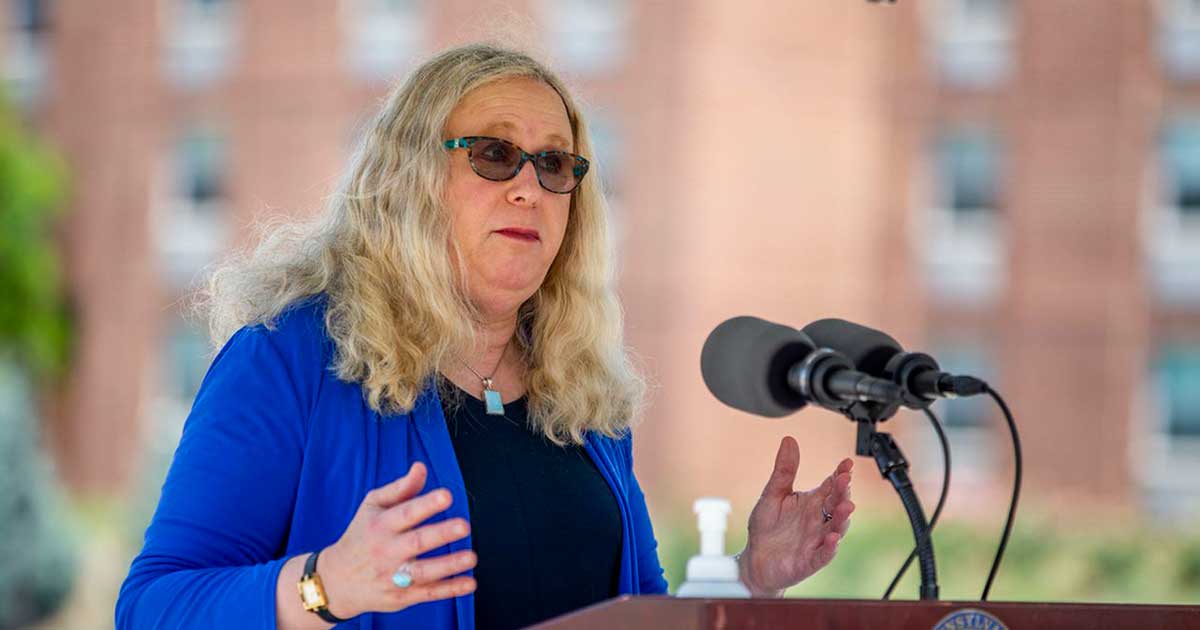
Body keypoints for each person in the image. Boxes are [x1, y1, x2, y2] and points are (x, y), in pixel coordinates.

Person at [115, 43, 855, 630]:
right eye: (494, 155)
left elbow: (634, 613)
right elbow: (153, 608)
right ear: (410, 179)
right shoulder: (290, 358)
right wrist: (325, 585)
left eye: (555, 163)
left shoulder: (583, 399)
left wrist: (750, 580)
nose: (529, 188)